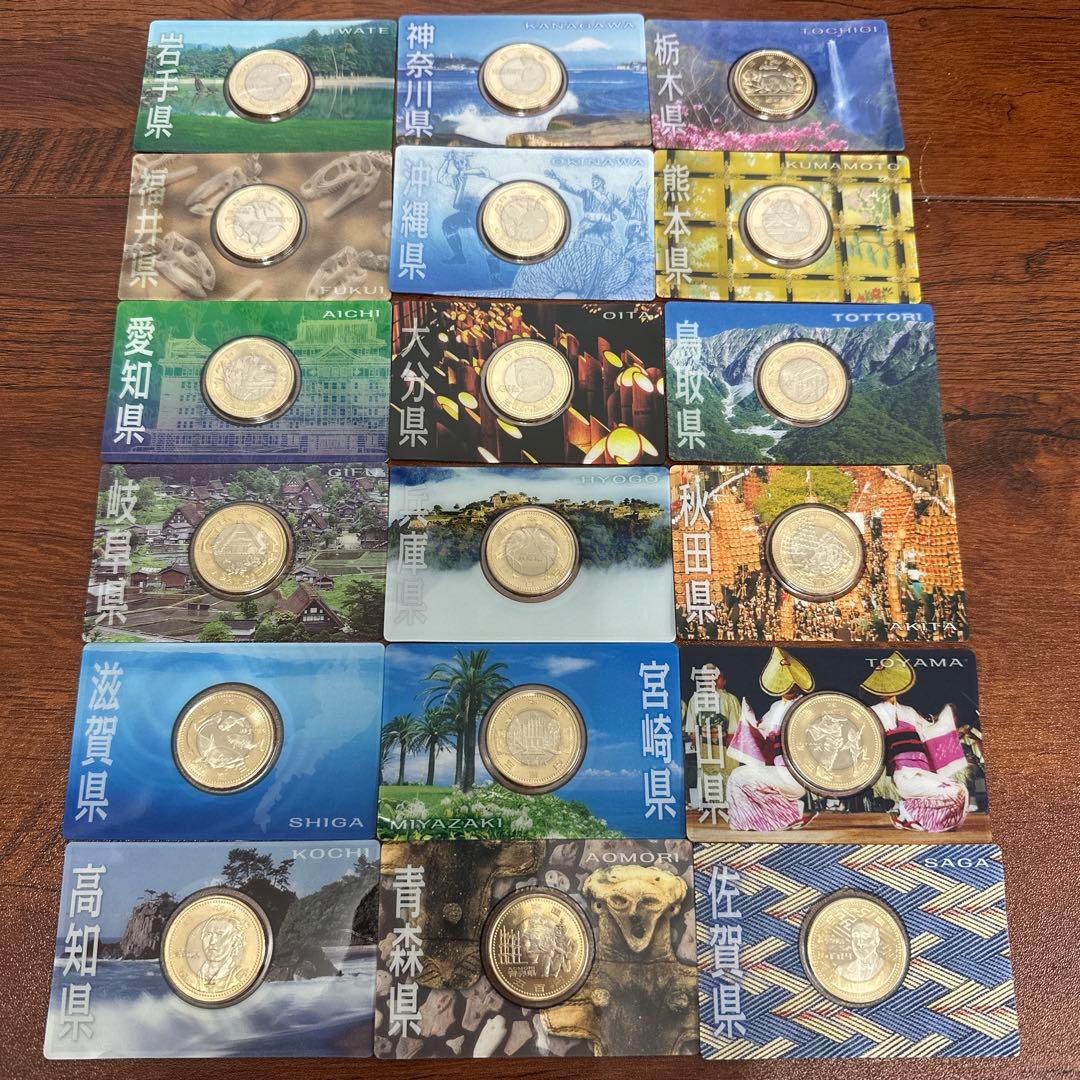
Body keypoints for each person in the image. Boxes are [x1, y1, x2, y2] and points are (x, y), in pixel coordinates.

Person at [861, 652, 969, 831]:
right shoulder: (873, 712)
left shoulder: (908, 711)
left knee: (960, 790)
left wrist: (946, 718)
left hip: (922, 772)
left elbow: (928, 733)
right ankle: (907, 810)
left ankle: (907, 814)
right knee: (954, 791)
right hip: (904, 774)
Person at [724, 647, 815, 832]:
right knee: (738, 777)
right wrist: (749, 721)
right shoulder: (775, 707)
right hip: (778, 772)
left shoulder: (806, 707)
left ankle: (791, 813)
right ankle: (755, 822)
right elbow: (762, 734)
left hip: (794, 775)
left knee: (738, 777)